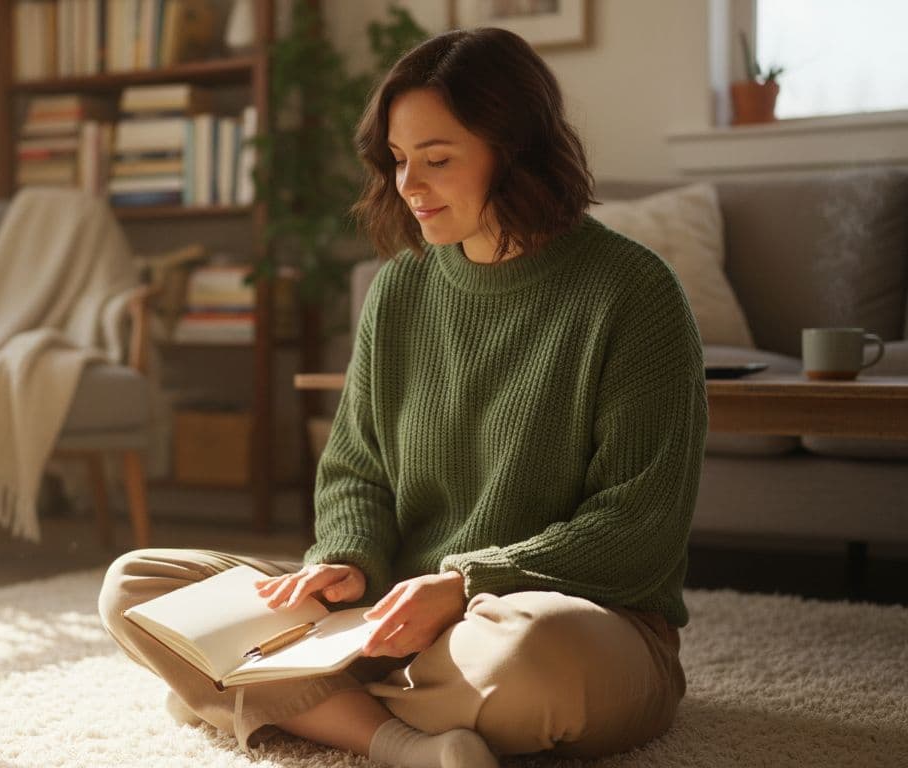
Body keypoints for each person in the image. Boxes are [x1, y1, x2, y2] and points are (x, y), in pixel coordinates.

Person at [98, 26, 706, 768]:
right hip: (386, 616)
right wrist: (348, 560)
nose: (407, 186)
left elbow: (637, 525)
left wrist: (462, 584)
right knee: (138, 588)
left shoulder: (633, 293)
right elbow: (356, 470)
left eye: (438, 160)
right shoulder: (401, 290)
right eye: (397, 160)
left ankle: (258, 697)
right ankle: (398, 741)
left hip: (554, 621)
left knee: (536, 662)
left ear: (515, 152)